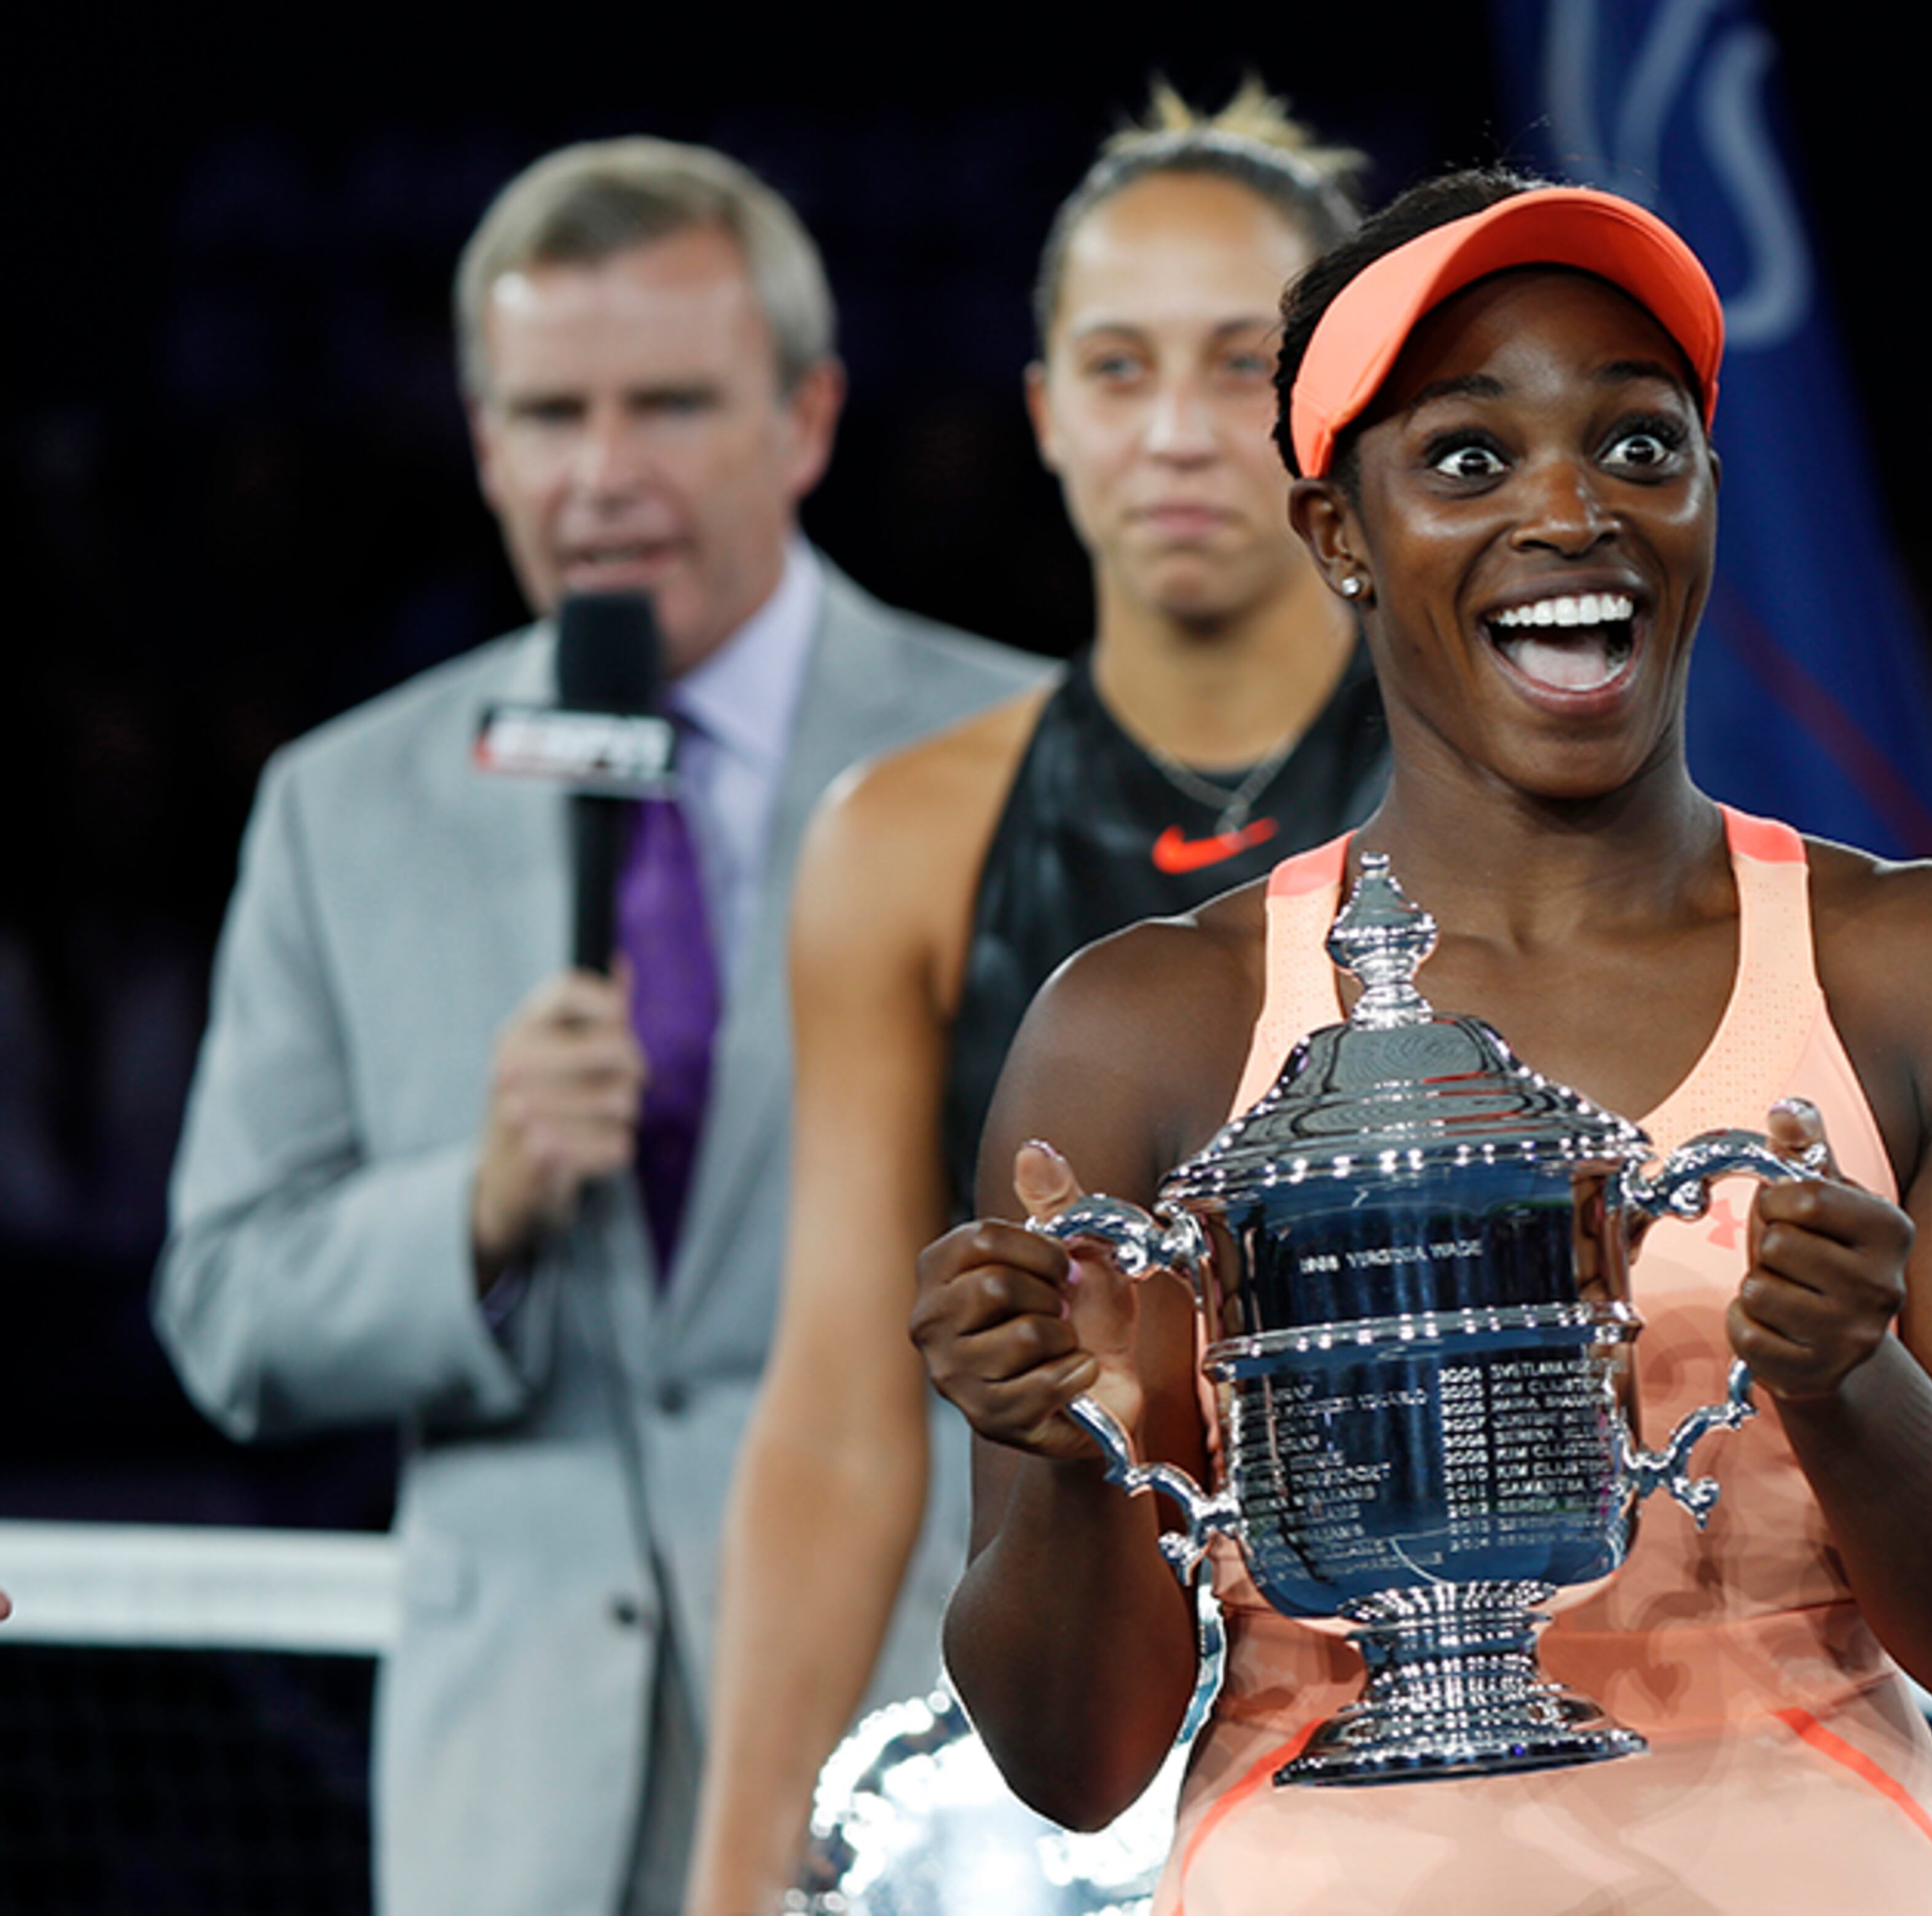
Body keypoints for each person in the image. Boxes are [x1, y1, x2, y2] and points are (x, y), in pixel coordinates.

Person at [913, 170, 1932, 1913]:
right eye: (1470, 458)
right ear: (1337, 530)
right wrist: (1058, 1444)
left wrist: (1855, 1381)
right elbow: (1074, 1757)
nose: (1573, 507)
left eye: (1642, 444)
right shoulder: (1143, 1027)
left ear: (1713, 490)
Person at [152, 138, 1041, 1916]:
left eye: (672, 405)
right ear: (483, 441)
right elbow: (224, 1306)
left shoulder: (1019, 758)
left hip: (920, 1760)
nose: (605, 472)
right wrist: (468, 1209)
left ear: (806, 417)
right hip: (515, 1799)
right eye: (551, 413)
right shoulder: (347, 805)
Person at [685, 84, 1388, 1915]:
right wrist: (736, 1867)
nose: (1172, 430)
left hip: (1433, 1740)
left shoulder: (1509, 816)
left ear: (1343, 407)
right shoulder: (904, 840)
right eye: (1115, 364)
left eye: (1242, 363)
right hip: (1040, 1770)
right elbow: (841, 1405)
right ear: (1045, 414)